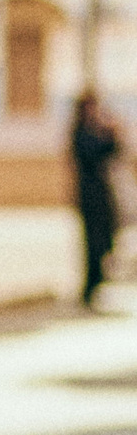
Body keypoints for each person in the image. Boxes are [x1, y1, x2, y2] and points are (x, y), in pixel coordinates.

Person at [71, 87, 122, 305]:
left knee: (105, 239)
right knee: (92, 243)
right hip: (89, 195)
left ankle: (98, 281)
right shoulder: (80, 132)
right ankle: (90, 287)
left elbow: (113, 150)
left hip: (101, 194)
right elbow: (97, 152)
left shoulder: (93, 130)